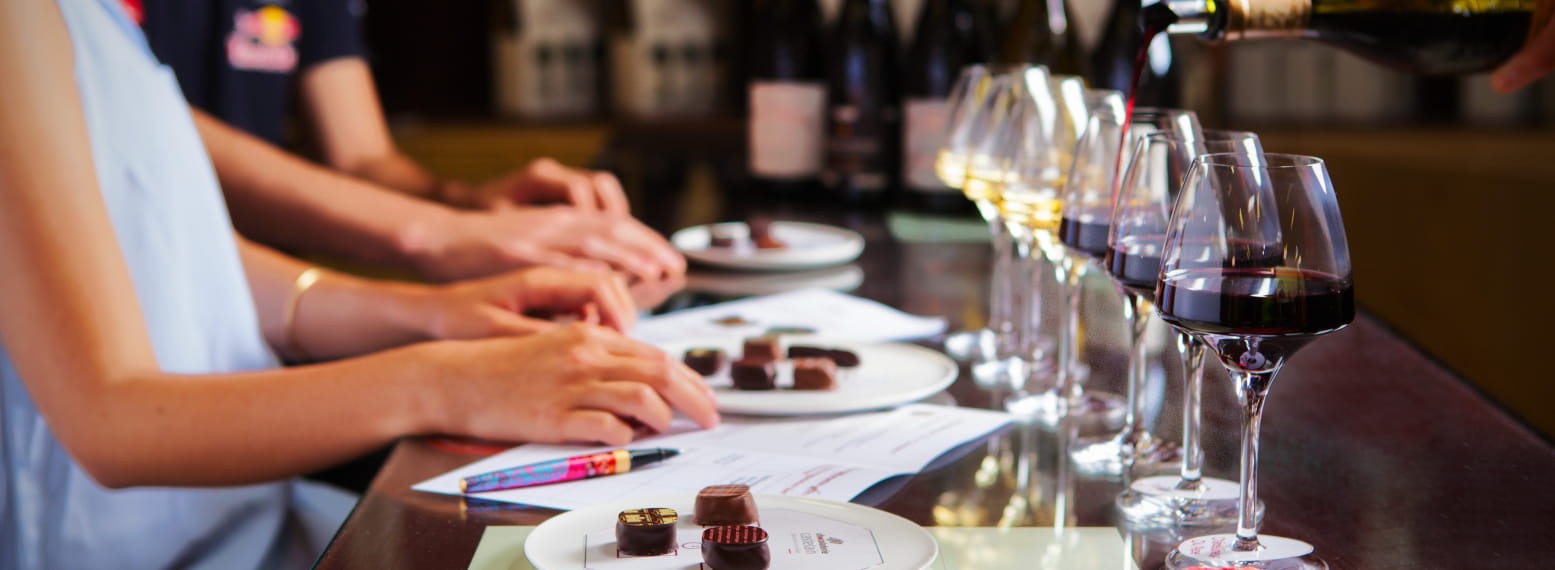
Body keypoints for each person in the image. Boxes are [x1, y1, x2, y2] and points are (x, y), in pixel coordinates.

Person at [0, 1, 717, 568]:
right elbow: (112, 422)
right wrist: (447, 380)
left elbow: (181, 251)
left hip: (238, 526)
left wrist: (436, 313)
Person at [130, 0, 685, 284]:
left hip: (261, 316)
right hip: (132, 293)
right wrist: (438, 236)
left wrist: (468, 203)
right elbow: (142, 133)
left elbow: (361, 157)